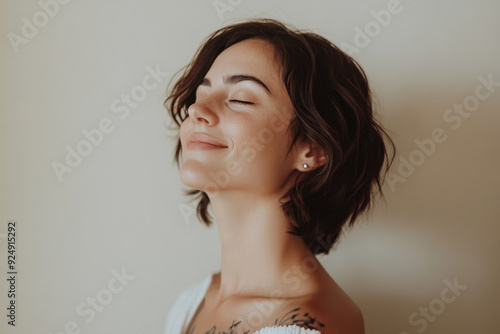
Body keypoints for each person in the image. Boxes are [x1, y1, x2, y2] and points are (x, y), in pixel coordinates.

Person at [163, 18, 396, 334]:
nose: (197, 110)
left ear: (312, 149)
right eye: (201, 93)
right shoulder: (192, 301)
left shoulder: (308, 325)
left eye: (241, 98)